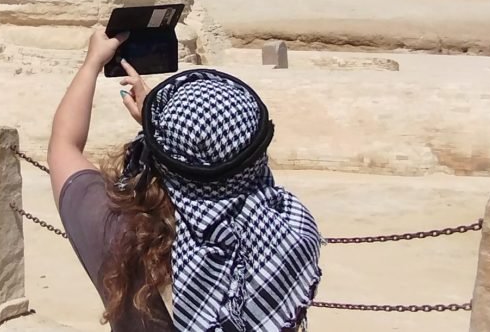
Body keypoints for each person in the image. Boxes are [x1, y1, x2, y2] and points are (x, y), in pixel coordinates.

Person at [48, 30, 323, 332]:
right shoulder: (294, 233)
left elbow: (64, 145)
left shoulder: (119, 236)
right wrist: (167, 131)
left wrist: (92, 64)